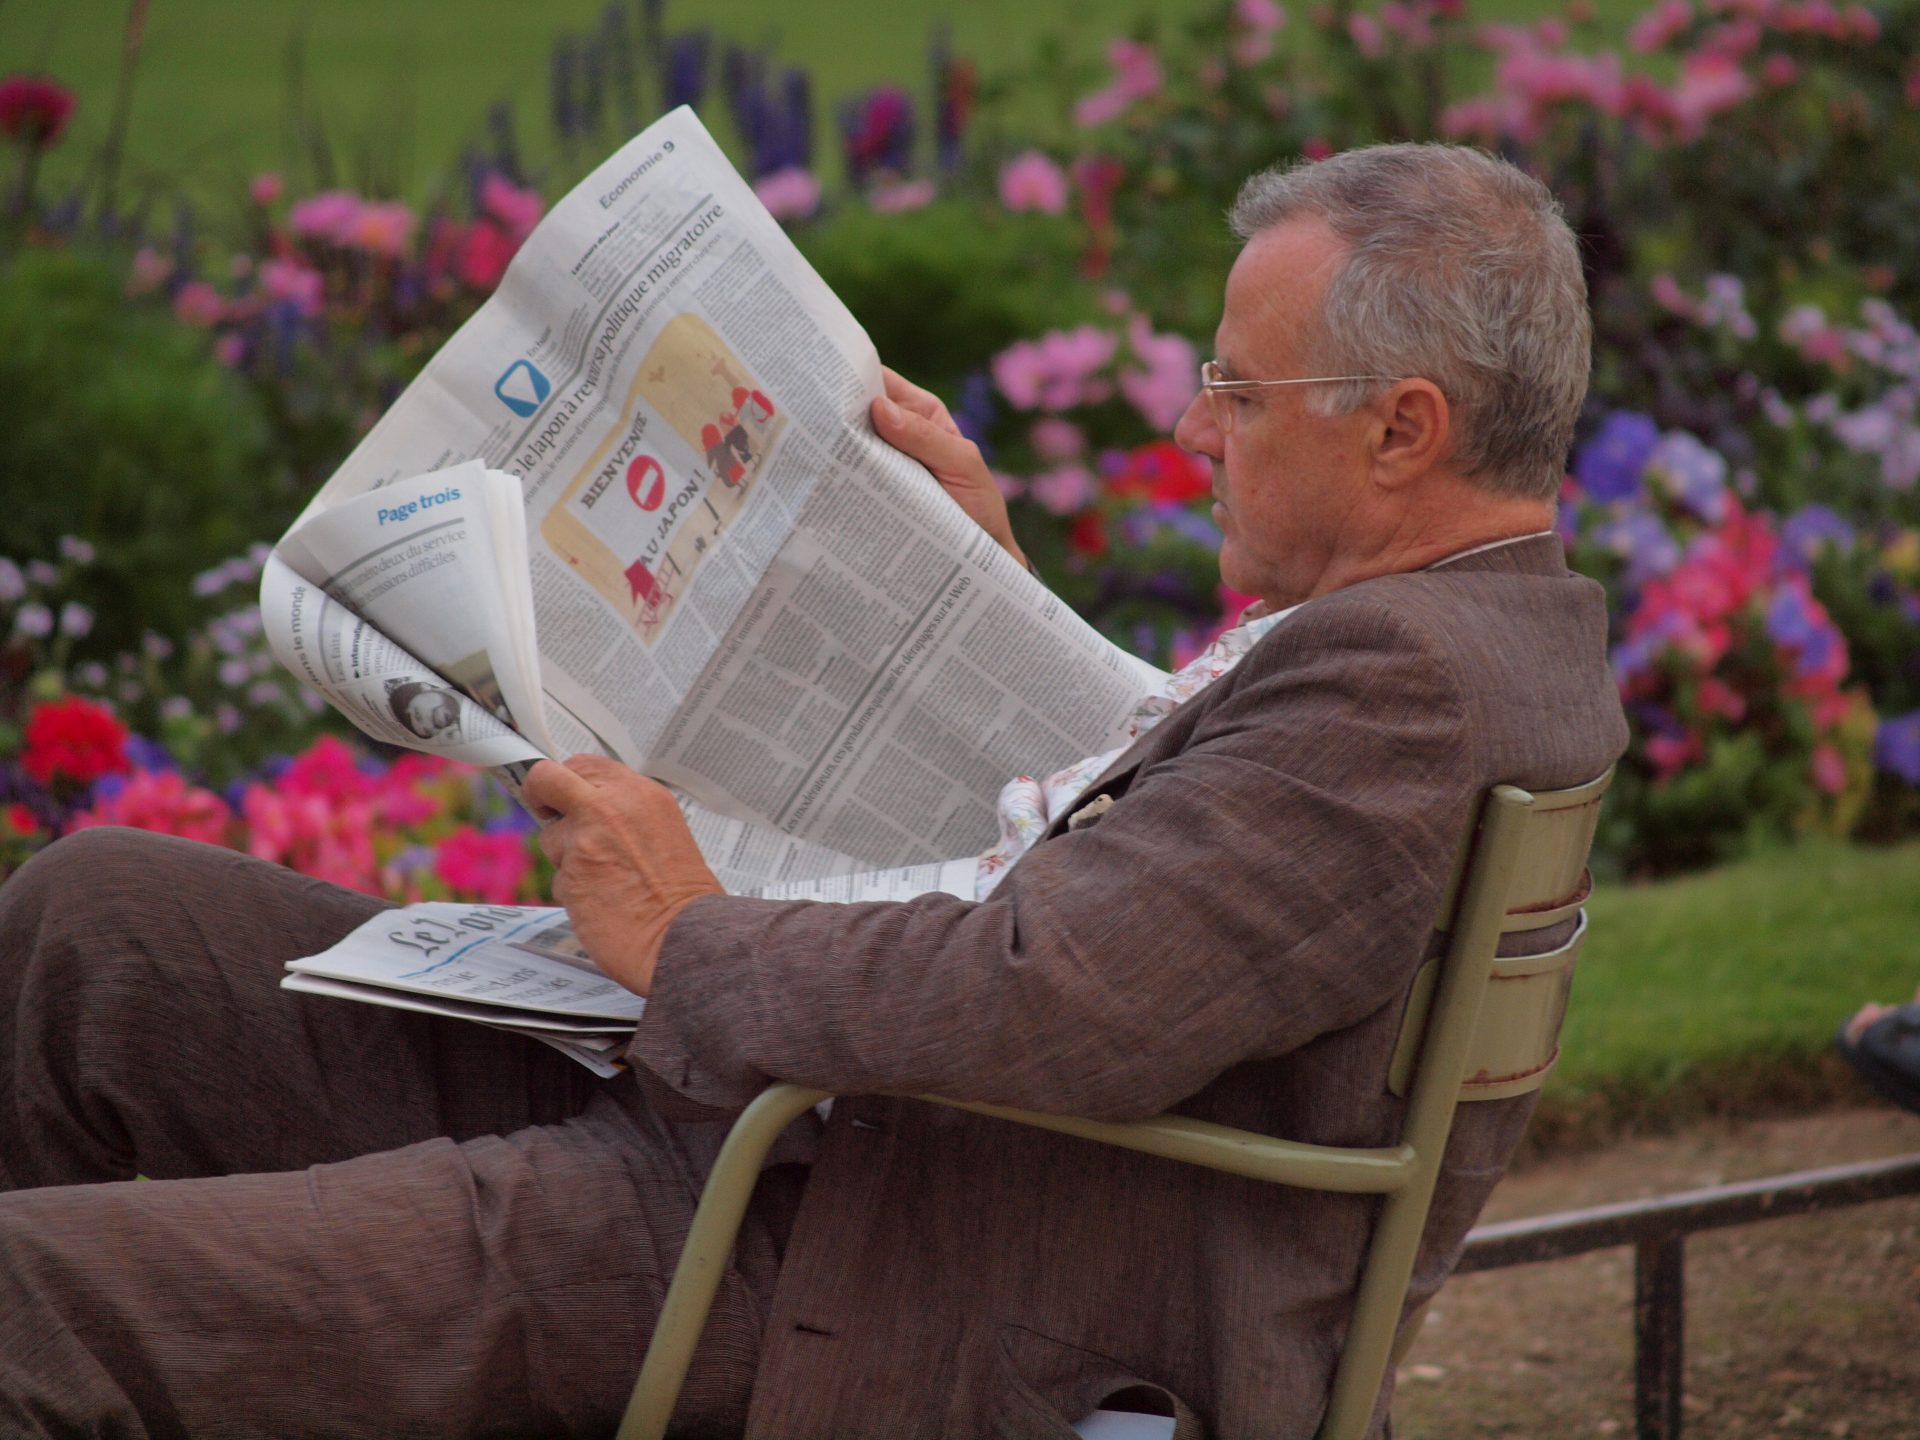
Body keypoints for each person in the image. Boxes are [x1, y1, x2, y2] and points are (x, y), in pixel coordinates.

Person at [0, 143, 1628, 1439]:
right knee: (105, 924)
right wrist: (969, 584)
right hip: (801, 1143)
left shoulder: (1399, 687)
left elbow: (1051, 992)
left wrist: (684, 931)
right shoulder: (1470, 635)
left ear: (1406, 430)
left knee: (36, 1298)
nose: (1195, 426)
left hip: (865, 1257)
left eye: (1240, 392)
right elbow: (1187, 898)